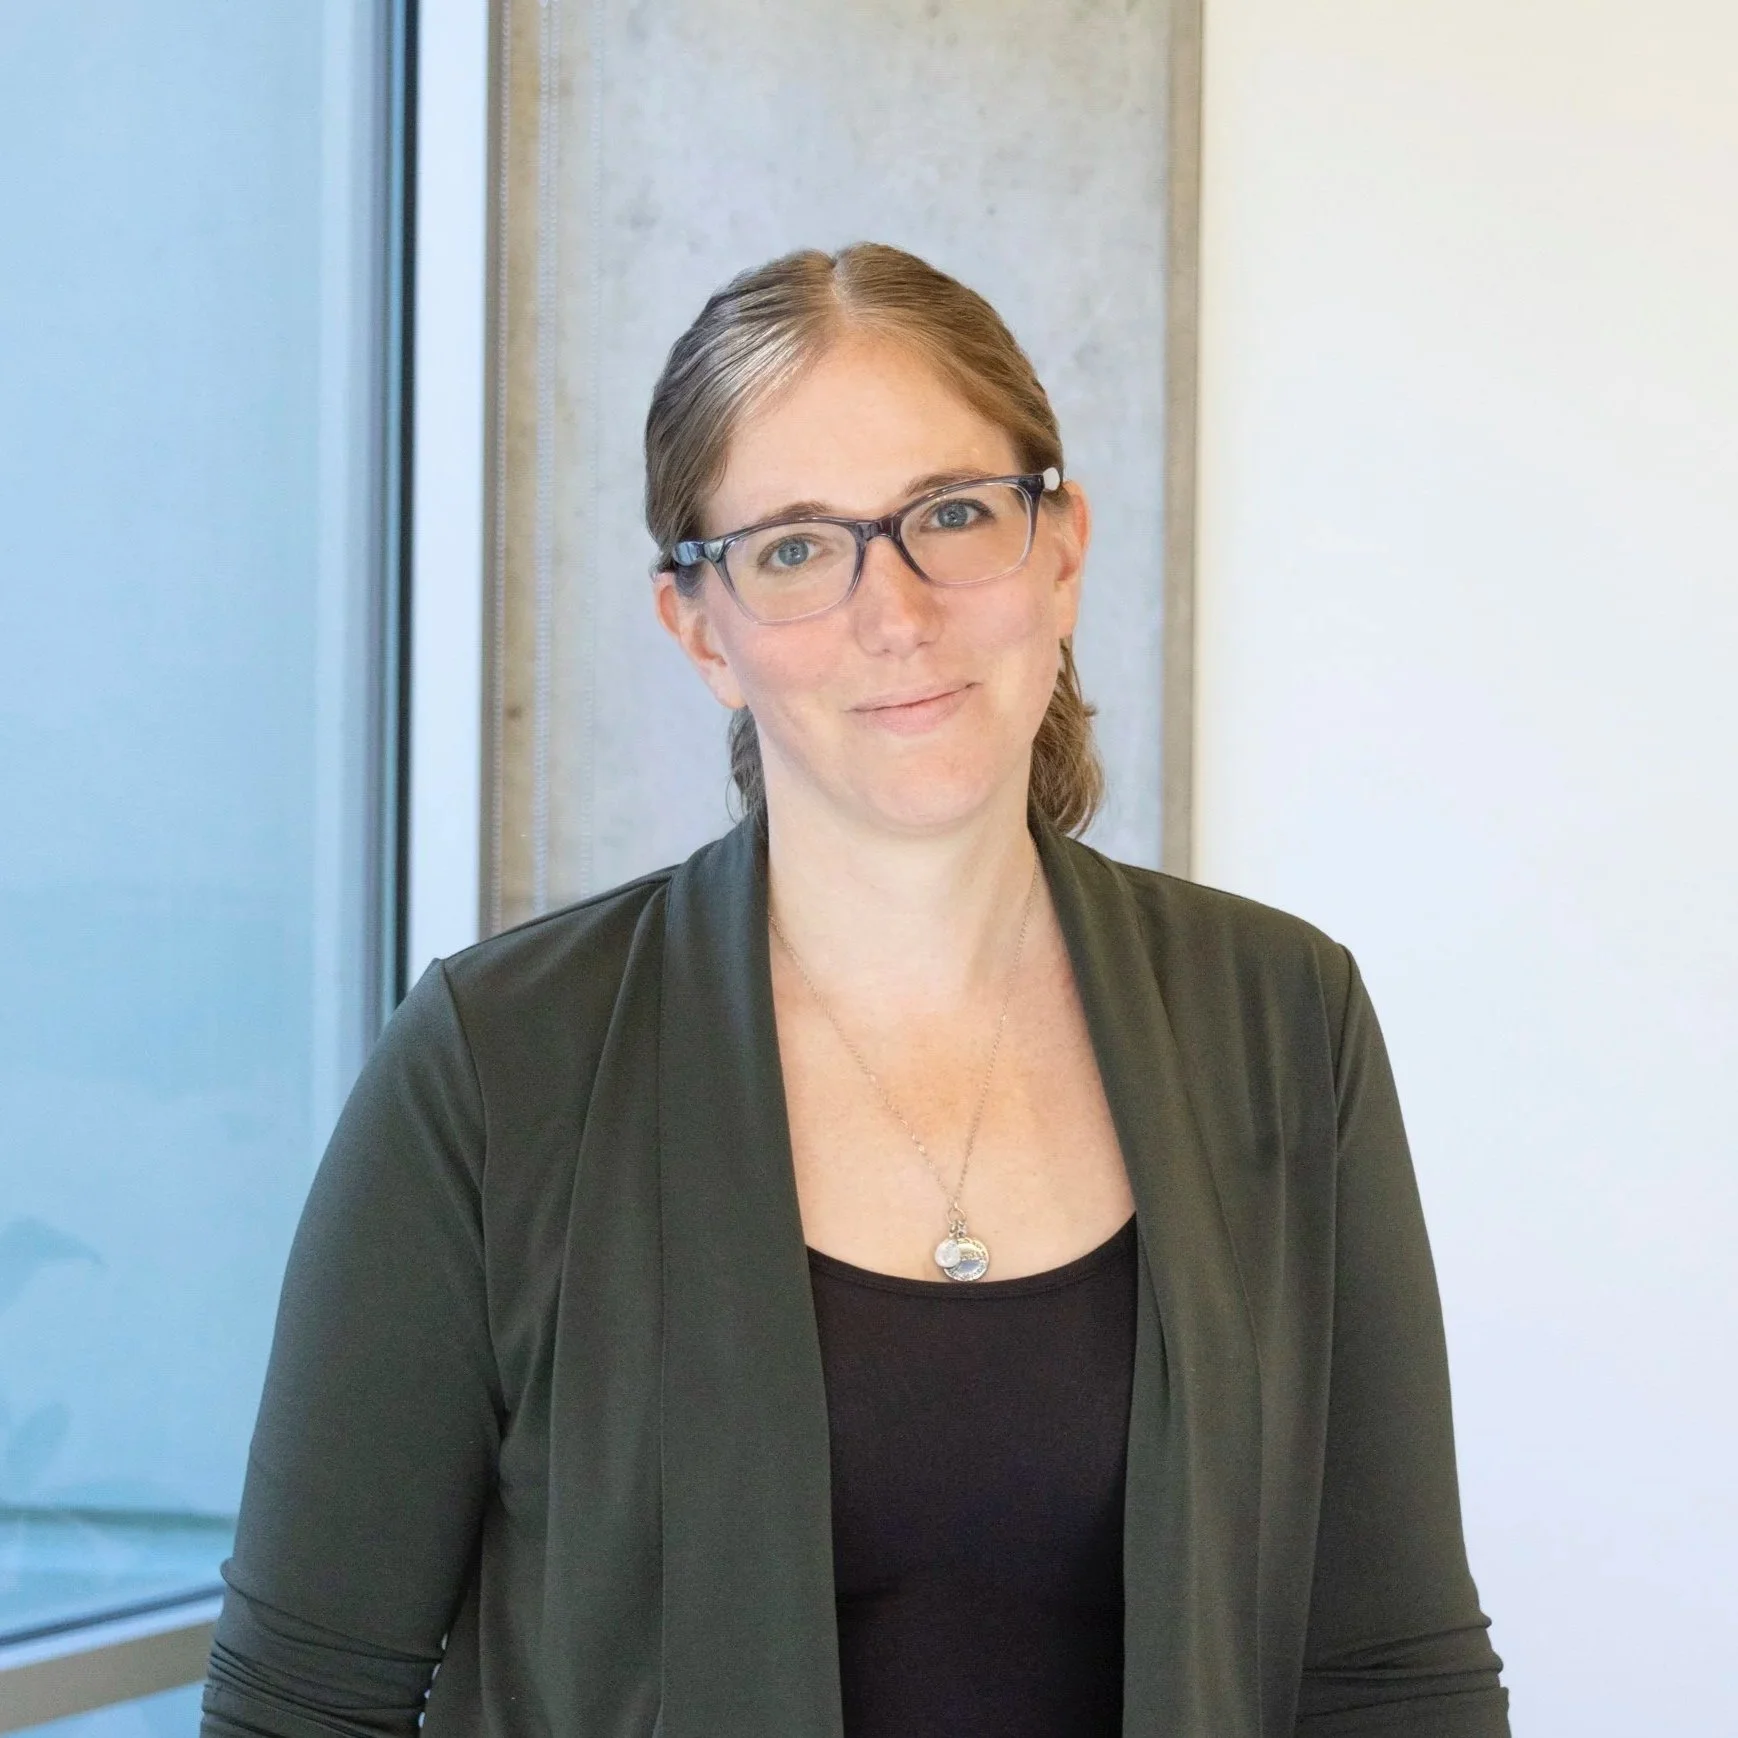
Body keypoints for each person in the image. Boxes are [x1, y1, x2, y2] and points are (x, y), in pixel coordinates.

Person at [201, 243, 1509, 1737]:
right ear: (701, 626)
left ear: (1060, 548)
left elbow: (1391, 1674)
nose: (894, 612)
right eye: (797, 547)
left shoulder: (1283, 1018)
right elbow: (304, 1699)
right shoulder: (496, 1067)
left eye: (951, 515)